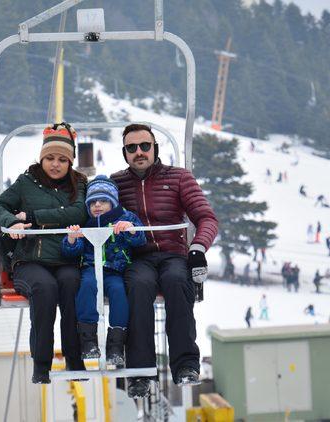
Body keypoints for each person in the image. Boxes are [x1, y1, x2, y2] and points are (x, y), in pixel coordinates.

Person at [111, 124, 218, 397]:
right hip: (139, 256)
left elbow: (206, 218)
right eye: (131, 148)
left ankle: (185, 365)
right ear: (124, 153)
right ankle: (141, 372)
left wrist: (197, 248)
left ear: (154, 148)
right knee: (139, 286)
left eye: (144, 146)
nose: (139, 152)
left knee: (176, 281)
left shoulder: (179, 178)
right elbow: (97, 212)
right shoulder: (116, 184)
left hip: (173, 253)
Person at [0, 123, 88, 384]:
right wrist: (11, 222)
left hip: (66, 257)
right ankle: (41, 364)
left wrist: (32, 217)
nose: (55, 164)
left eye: (62, 159)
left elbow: (77, 213)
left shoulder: (79, 183)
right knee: (44, 288)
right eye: (50, 158)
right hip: (31, 259)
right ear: (42, 158)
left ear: (70, 162)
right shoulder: (26, 182)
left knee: (70, 285)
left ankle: (74, 360)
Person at [62, 176, 146, 367]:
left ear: (113, 202)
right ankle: (88, 340)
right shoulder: (86, 223)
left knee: (118, 292)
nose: (97, 205)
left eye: (103, 201)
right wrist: (72, 239)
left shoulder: (125, 218)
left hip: (115, 271)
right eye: (92, 202)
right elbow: (71, 252)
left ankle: (116, 344)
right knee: (87, 286)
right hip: (91, 268)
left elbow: (141, 239)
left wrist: (131, 230)